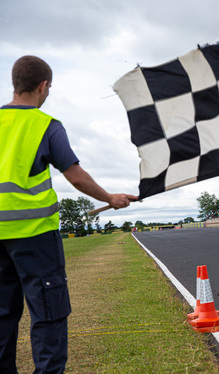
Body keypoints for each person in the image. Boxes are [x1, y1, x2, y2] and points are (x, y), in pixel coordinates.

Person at [0, 56, 137, 374]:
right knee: (48, 311)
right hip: (34, 235)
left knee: (3, 313)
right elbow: (75, 176)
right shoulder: (45, 125)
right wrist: (110, 198)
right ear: (43, 85)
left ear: (14, 82)